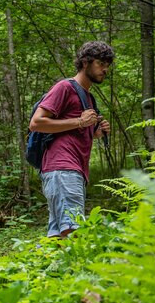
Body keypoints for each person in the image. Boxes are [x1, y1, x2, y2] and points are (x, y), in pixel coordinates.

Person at [28, 41, 114, 239]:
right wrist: (80, 122)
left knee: (59, 233)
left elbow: (74, 130)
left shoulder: (88, 97)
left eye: (107, 65)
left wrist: (95, 133)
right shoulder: (65, 87)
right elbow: (37, 123)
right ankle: (76, 269)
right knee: (73, 230)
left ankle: (50, 269)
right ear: (85, 62)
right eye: (101, 64)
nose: (105, 69)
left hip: (71, 170)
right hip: (62, 167)